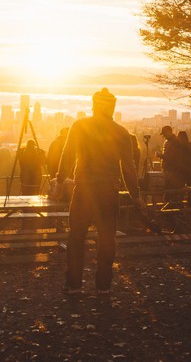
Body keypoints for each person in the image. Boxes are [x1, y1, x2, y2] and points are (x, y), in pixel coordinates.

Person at [57, 88, 145, 295]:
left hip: (84, 189)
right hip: (109, 190)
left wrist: (60, 179)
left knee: (77, 236)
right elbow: (128, 167)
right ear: (112, 107)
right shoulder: (121, 132)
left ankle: (74, 284)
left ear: (94, 105)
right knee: (107, 237)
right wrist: (136, 194)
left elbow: (68, 154)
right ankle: (103, 285)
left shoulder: (80, 126)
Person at [157, 125, 185, 202]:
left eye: (164, 134)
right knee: (168, 195)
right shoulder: (169, 142)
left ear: (169, 132)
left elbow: (173, 158)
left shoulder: (175, 142)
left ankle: (171, 212)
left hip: (173, 173)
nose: (164, 136)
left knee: (171, 195)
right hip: (168, 172)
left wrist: (161, 156)